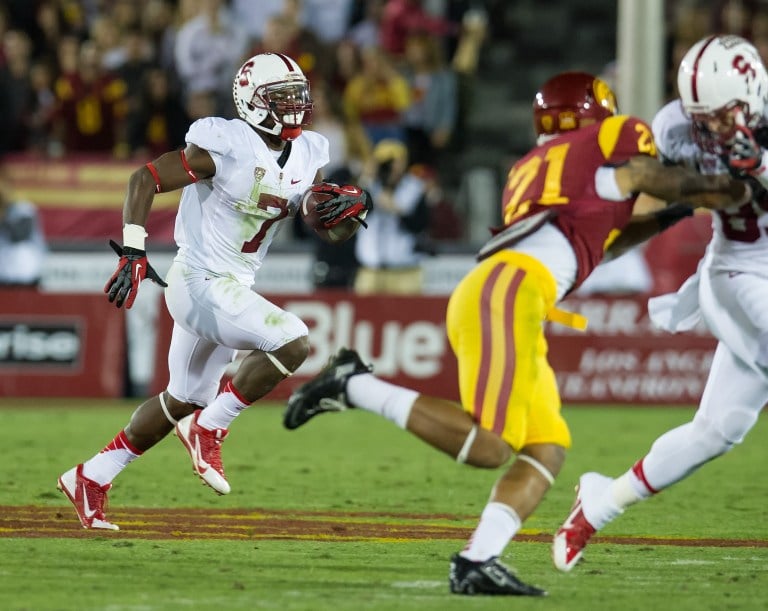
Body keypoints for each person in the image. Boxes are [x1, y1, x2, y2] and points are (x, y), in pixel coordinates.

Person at [281, 70, 750, 596]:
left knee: (546, 447)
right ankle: (352, 384)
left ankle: (478, 560)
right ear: (593, 114)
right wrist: (719, 189)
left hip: (508, 292)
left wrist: (684, 208)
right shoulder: (608, 141)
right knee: (489, 445)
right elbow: (647, 175)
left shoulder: (533, 169)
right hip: (510, 293)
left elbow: (603, 242)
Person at [56, 52, 372, 531]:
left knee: (181, 398)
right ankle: (212, 426)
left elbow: (323, 227)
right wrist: (133, 251)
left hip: (232, 285)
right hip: (197, 279)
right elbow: (145, 177)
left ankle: (91, 476)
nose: (293, 108)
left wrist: (349, 213)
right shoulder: (225, 144)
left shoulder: (310, 152)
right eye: (280, 98)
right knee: (293, 340)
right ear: (251, 100)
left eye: (297, 97)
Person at [552, 34, 768, 572]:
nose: (711, 128)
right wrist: (591, 249)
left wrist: (760, 167)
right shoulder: (678, 127)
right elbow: (664, 207)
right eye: (703, 117)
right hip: (740, 271)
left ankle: (599, 503)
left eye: (722, 115)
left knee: (717, 431)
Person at [353, 138, 429, 295]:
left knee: (407, 316)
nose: (393, 167)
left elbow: (420, 225)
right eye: (387, 163)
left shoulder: (414, 188)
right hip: (370, 271)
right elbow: (358, 214)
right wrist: (369, 181)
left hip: (405, 271)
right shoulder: (366, 187)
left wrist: (396, 209)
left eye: (396, 162)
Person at [0, 168, 47, 287]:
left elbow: (19, 234)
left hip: (26, 276)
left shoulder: (24, 208)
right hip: (4, 277)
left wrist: (3, 209)